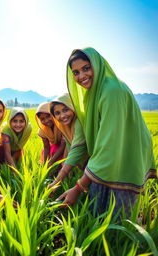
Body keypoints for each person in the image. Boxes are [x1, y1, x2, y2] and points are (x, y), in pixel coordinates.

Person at [53, 47, 157, 217]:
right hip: (110, 154)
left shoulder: (112, 91)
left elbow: (108, 144)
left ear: (97, 65)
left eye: (86, 68)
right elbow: (84, 142)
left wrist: (79, 187)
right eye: (76, 72)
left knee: (118, 217)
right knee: (98, 210)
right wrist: (59, 180)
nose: (81, 76)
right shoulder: (94, 93)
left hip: (126, 155)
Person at [35, 102, 66, 168]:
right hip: (53, 148)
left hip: (65, 148)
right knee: (48, 156)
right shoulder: (43, 129)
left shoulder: (62, 124)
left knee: (58, 163)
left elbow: (63, 145)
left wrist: (51, 162)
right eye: (42, 119)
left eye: (48, 116)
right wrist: (45, 164)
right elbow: (46, 147)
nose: (46, 120)